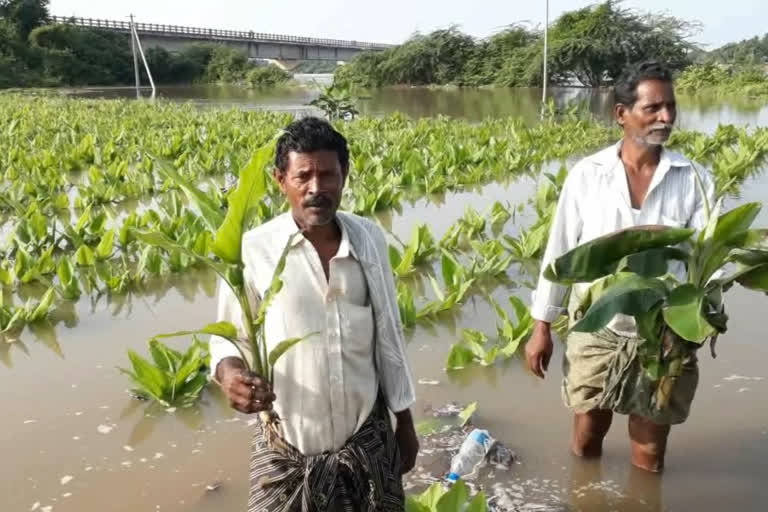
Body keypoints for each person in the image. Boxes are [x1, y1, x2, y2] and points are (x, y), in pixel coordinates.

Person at [209, 117, 419, 511]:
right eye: (303, 176)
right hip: (287, 446)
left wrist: (404, 422)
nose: (317, 188)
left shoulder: (368, 238)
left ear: (345, 175)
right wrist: (231, 375)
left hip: (365, 438)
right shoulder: (254, 250)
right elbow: (228, 338)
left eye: (328, 175)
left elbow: (389, 333)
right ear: (279, 179)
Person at [525, 61, 715, 473]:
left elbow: (708, 264)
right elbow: (561, 253)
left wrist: (704, 321)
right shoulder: (587, 176)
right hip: (598, 327)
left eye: (670, 107)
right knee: (588, 433)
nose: (665, 118)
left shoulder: (694, 178)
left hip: (666, 337)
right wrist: (542, 326)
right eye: (653, 108)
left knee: (650, 452)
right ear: (621, 114)